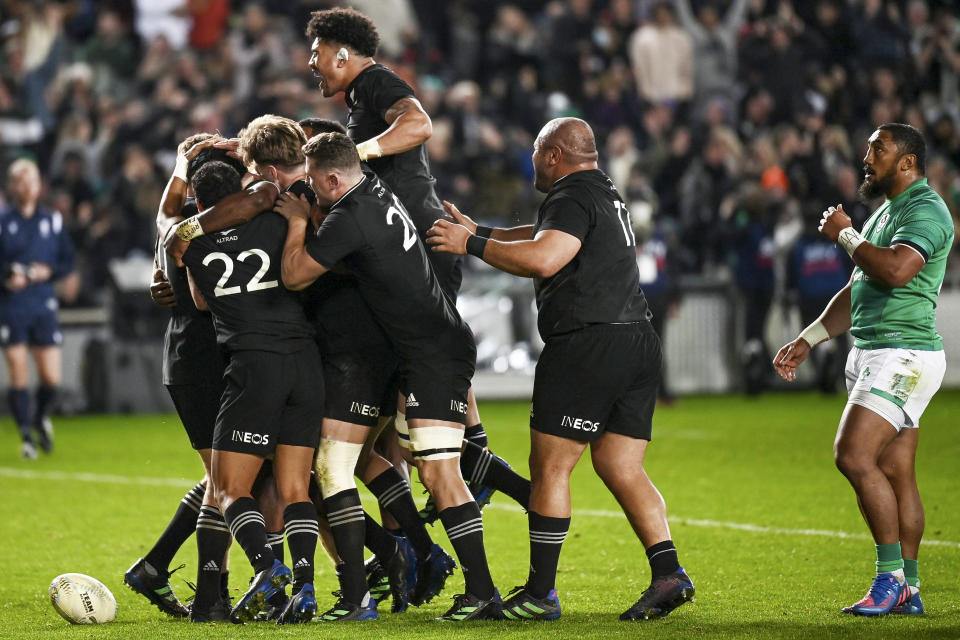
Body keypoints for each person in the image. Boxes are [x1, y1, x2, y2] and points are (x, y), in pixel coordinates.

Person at [427, 117, 695, 622]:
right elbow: (542, 234)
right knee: (620, 464)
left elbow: (547, 255)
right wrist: (478, 230)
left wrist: (470, 246)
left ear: (553, 155)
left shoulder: (570, 194)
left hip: (586, 342)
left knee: (551, 468)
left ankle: (540, 593)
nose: (530, 160)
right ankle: (669, 572)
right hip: (635, 338)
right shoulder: (604, 191)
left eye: (534, 151)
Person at [303, 7, 530, 517]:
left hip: (422, 242)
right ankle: (470, 466)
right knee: (408, 379)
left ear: (342, 52)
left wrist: (358, 153)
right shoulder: (361, 94)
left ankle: (479, 463)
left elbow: (419, 124)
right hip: (411, 241)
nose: (310, 63)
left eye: (316, 52)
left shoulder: (377, 81)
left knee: (420, 365)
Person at [274, 132, 503, 621]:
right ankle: (392, 586)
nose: (310, 191)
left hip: (432, 356)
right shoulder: (372, 187)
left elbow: (294, 275)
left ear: (334, 179)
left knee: (439, 471)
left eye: (314, 182)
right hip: (422, 352)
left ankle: (481, 592)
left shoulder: (348, 215)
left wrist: (296, 221)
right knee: (419, 466)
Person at [774, 123, 952, 617]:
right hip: (875, 350)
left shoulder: (926, 209)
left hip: (903, 353)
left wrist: (845, 233)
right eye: (868, 146)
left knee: (852, 456)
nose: (867, 154)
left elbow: (895, 270)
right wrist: (809, 338)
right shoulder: (884, 213)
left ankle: (889, 578)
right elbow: (859, 288)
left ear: (908, 162)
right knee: (896, 472)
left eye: (880, 147)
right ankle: (910, 589)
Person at [182, 159, 324, 625]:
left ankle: (268, 567)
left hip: (253, 365)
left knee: (227, 488)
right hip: (304, 362)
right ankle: (305, 588)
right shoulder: (275, 219)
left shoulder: (192, 244)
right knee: (295, 487)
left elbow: (201, 302)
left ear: (201, 204)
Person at [124, 133, 233, 622]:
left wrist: (179, 164)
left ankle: (157, 567)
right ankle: (212, 588)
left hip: (186, 352)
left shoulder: (177, 228)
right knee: (228, 482)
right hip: (205, 357)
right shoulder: (223, 231)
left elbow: (162, 211)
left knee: (225, 478)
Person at [0, 158, 75, 460]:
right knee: (18, 368)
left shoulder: (51, 220)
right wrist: (8, 276)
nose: (28, 186)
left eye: (32, 180)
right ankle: (26, 437)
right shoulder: (3, 222)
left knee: (51, 379)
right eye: (21, 180)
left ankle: (39, 417)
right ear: (12, 185)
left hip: (43, 303)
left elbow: (67, 260)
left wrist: (49, 273)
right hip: (12, 305)